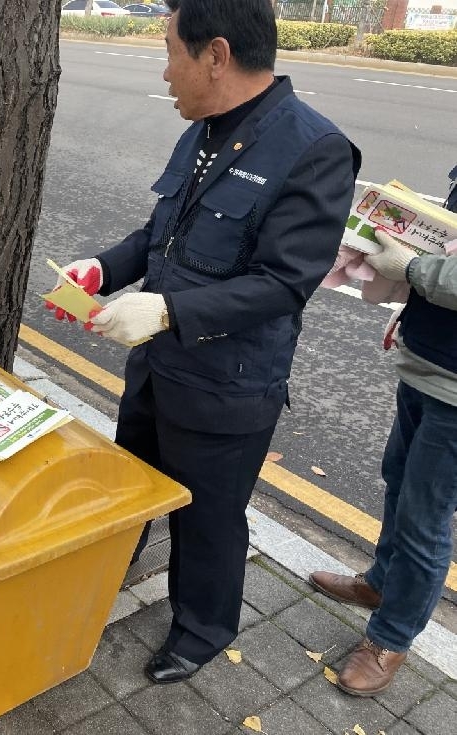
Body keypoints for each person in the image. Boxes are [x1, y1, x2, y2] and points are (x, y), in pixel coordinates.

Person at [49, 0, 360, 683]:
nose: (165, 72)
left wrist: (163, 311)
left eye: (171, 52)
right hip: (160, 368)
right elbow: (163, 234)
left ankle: (202, 628)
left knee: (210, 521)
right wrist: (104, 268)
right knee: (131, 484)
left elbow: (283, 283)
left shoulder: (315, 150)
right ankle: (106, 574)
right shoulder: (204, 127)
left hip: (227, 384)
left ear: (215, 56)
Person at [309, 175, 457, 697]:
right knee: (398, 481)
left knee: (425, 518)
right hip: (429, 361)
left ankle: (391, 639)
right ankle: (381, 584)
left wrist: (414, 271)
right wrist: (411, 311)